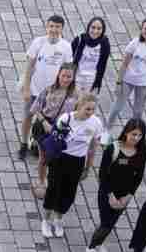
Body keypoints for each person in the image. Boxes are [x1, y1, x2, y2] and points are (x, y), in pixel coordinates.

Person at [40, 92, 104, 239]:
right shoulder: (66, 118)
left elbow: (93, 146)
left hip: (78, 161)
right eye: (87, 109)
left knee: (69, 192)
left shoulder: (96, 123)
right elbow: (55, 139)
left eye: (93, 109)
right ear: (79, 106)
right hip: (61, 158)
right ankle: (46, 220)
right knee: (53, 188)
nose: (90, 113)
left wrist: (88, 167)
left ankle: (58, 219)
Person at [87, 119, 146, 252]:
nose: (136, 138)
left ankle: (99, 244)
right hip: (107, 192)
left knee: (111, 222)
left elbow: (138, 177)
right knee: (106, 223)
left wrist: (129, 196)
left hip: (124, 196)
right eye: (134, 134)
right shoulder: (112, 148)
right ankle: (91, 248)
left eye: (140, 135)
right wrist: (111, 196)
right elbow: (102, 174)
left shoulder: (141, 152)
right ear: (126, 132)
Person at [17, 15, 73, 158]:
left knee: (47, 118)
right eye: (51, 26)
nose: (54, 29)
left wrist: (65, 90)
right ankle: (23, 143)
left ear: (62, 29)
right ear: (47, 27)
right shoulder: (38, 42)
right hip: (35, 89)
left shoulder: (66, 47)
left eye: (57, 27)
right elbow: (29, 66)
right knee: (28, 116)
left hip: (52, 93)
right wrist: (26, 88)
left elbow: (67, 70)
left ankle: (37, 142)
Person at [105, 18, 146, 129]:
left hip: (144, 83)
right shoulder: (135, 43)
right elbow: (124, 64)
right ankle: (106, 130)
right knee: (117, 108)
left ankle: (131, 133)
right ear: (141, 30)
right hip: (128, 80)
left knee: (138, 112)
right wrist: (118, 82)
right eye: (145, 28)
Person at [28, 63, 79, 196]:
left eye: (69, 77)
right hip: (45, 128)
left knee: (58, 159)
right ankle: (41, 181)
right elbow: (35, 109)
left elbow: (78, 114)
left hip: (62, 131)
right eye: (63, 76)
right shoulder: (49, 90)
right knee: (43, 157)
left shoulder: (76, 95)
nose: (66, 79)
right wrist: (44, 122)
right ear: (58, 75)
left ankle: (53, 181)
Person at [70, 17, 110, 93]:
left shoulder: (104, 43)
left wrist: (98, 83)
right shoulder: (79, 40)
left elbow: (103, 65)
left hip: (91, 80)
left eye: (99, 29)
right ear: (88, 27)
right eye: (93, 27)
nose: (95, 31)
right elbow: (70, 58)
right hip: (76, 78)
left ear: (102, 30)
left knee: (86, 104)